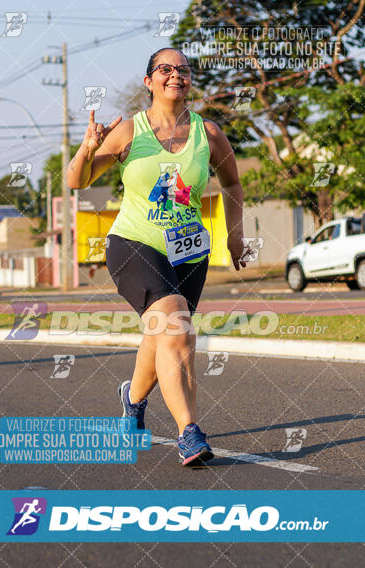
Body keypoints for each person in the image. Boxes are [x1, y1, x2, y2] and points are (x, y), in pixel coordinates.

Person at [67, 47, 247, 466]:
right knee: (177, 328)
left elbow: (233, 186)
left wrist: (234, 237)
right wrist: (88, 148)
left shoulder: (210, 134)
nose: (176, 76)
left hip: (188, 250)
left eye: (183, 70)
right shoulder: (130, 131)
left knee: (160, 334)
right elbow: (78, 181)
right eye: (165, 69)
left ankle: (131, 401)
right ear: (149, 81)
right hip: (134, 242)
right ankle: (190, 432)